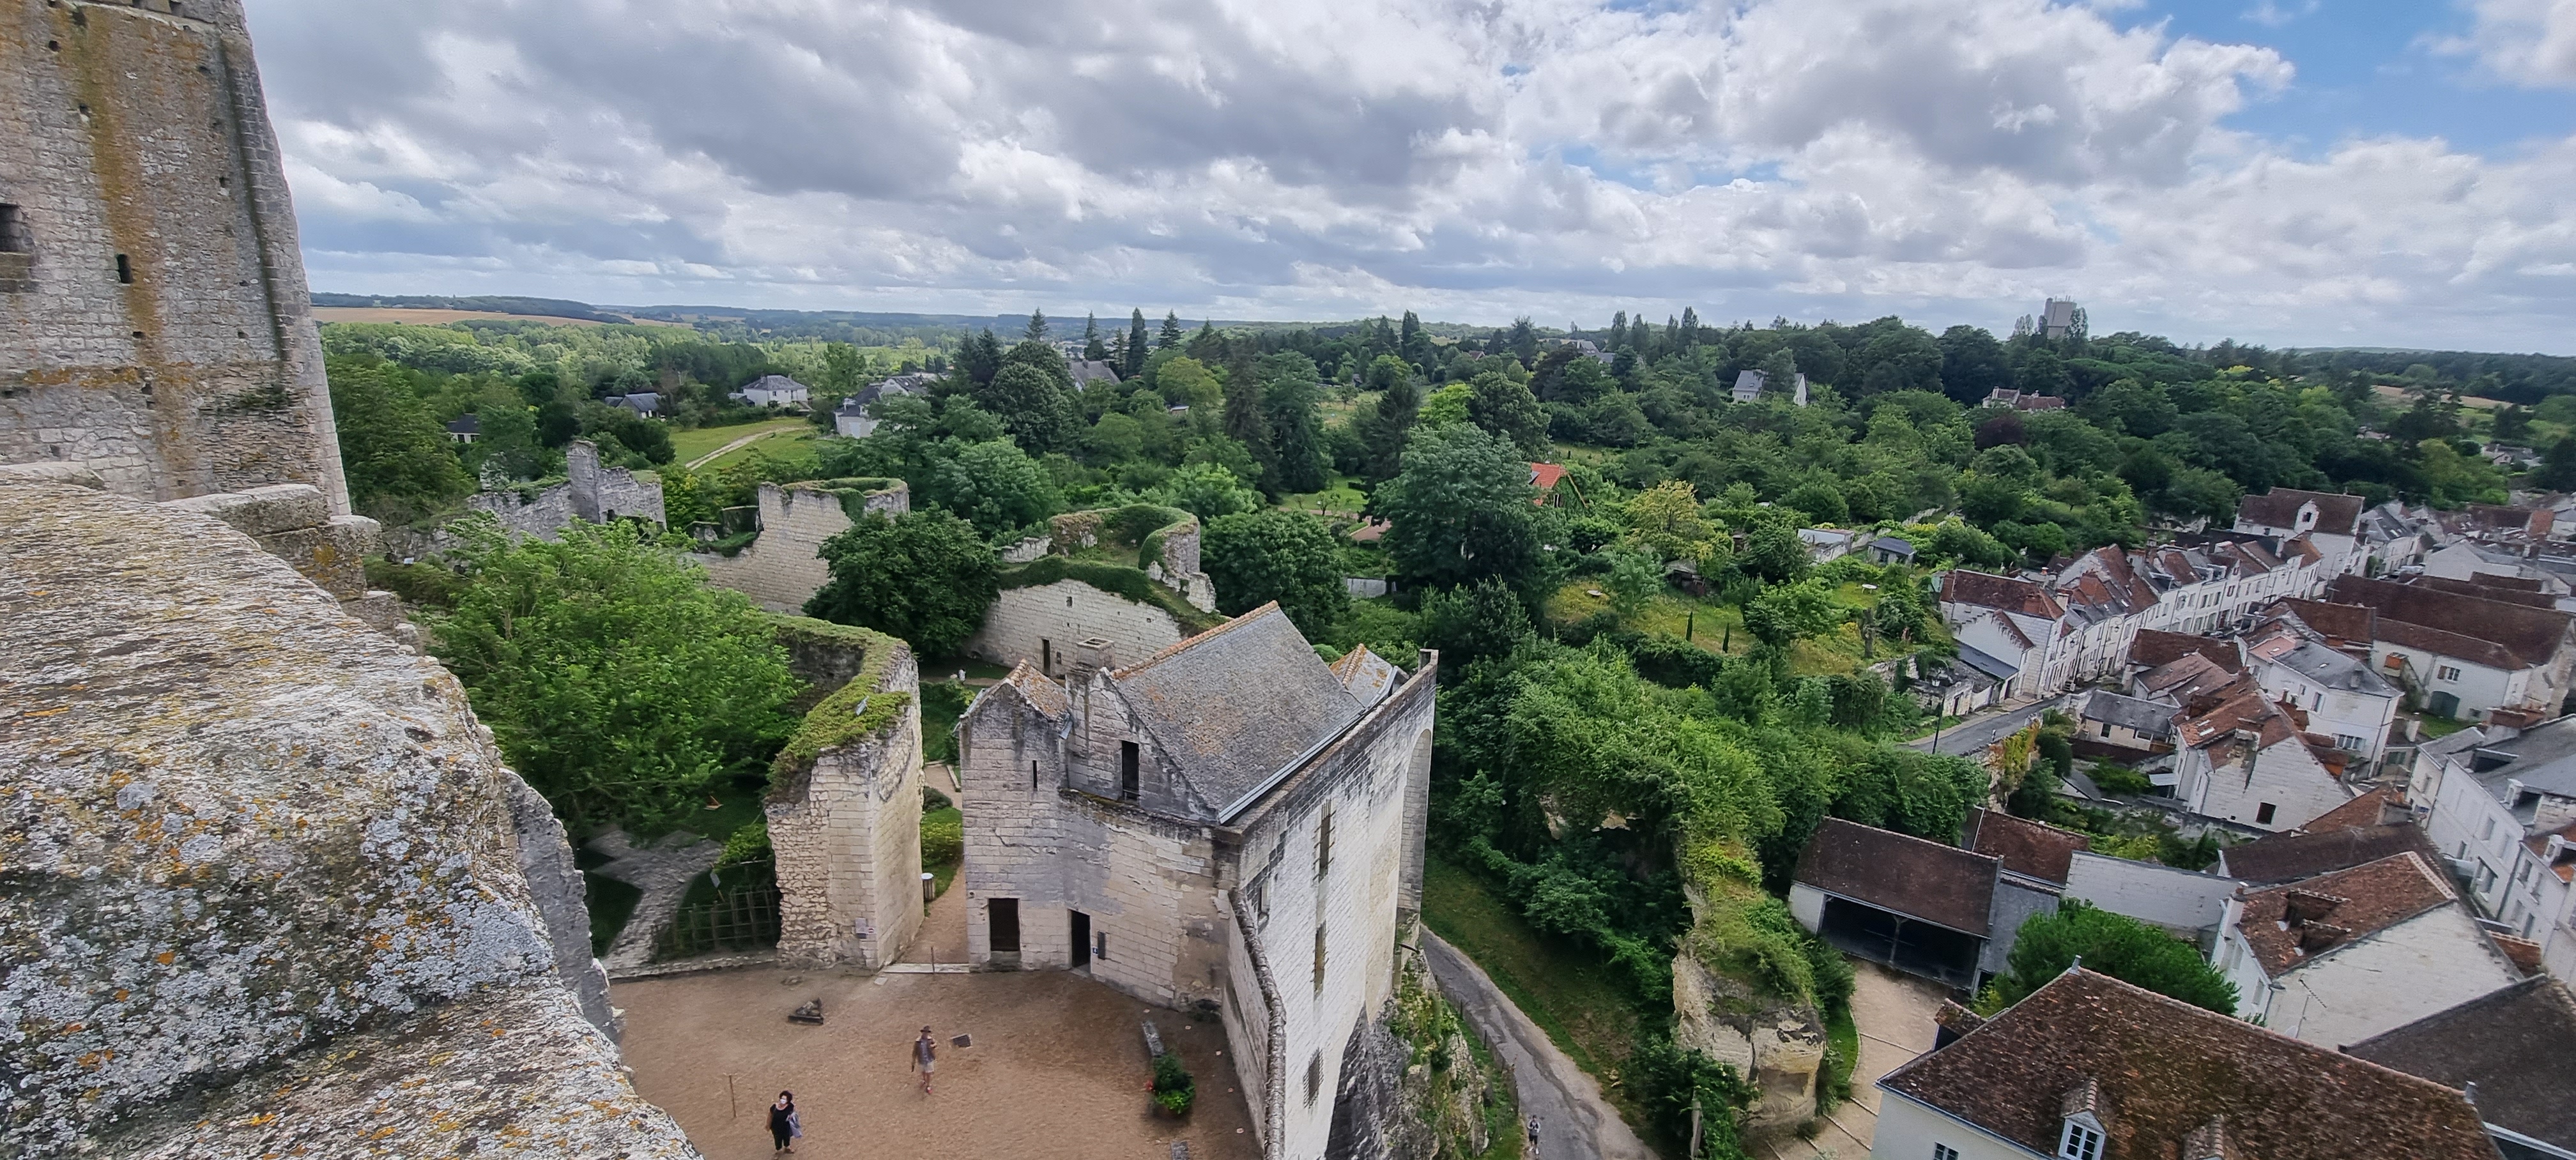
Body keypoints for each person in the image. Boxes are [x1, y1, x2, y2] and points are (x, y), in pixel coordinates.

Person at [767, 1090, 799, 1154]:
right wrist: (768, 1125)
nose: (782, 1101)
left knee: (787, 1137)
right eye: (782, 1099)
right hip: (776, 1128)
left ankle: (787, 1148)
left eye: (785, 1099)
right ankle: (778, 1151)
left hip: (786, 1126)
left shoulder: (790, 1106)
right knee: (778, 1139)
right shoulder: (774, 1107)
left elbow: (793, 1112)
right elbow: (770, 1116)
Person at [912, 1026, 938, 1094]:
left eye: (927, 1033)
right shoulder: (918, 1041)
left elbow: (935, 1044)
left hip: (929, 1059)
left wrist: (933, 1046)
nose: (926, 1034)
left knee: (929, 1073)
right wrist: (914, 1059)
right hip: (921, 1059)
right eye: (925, 1033)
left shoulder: (930, 1039)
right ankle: (924, 1080)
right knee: (923, 1071)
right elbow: (915, 1051)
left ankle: (928, 1085)